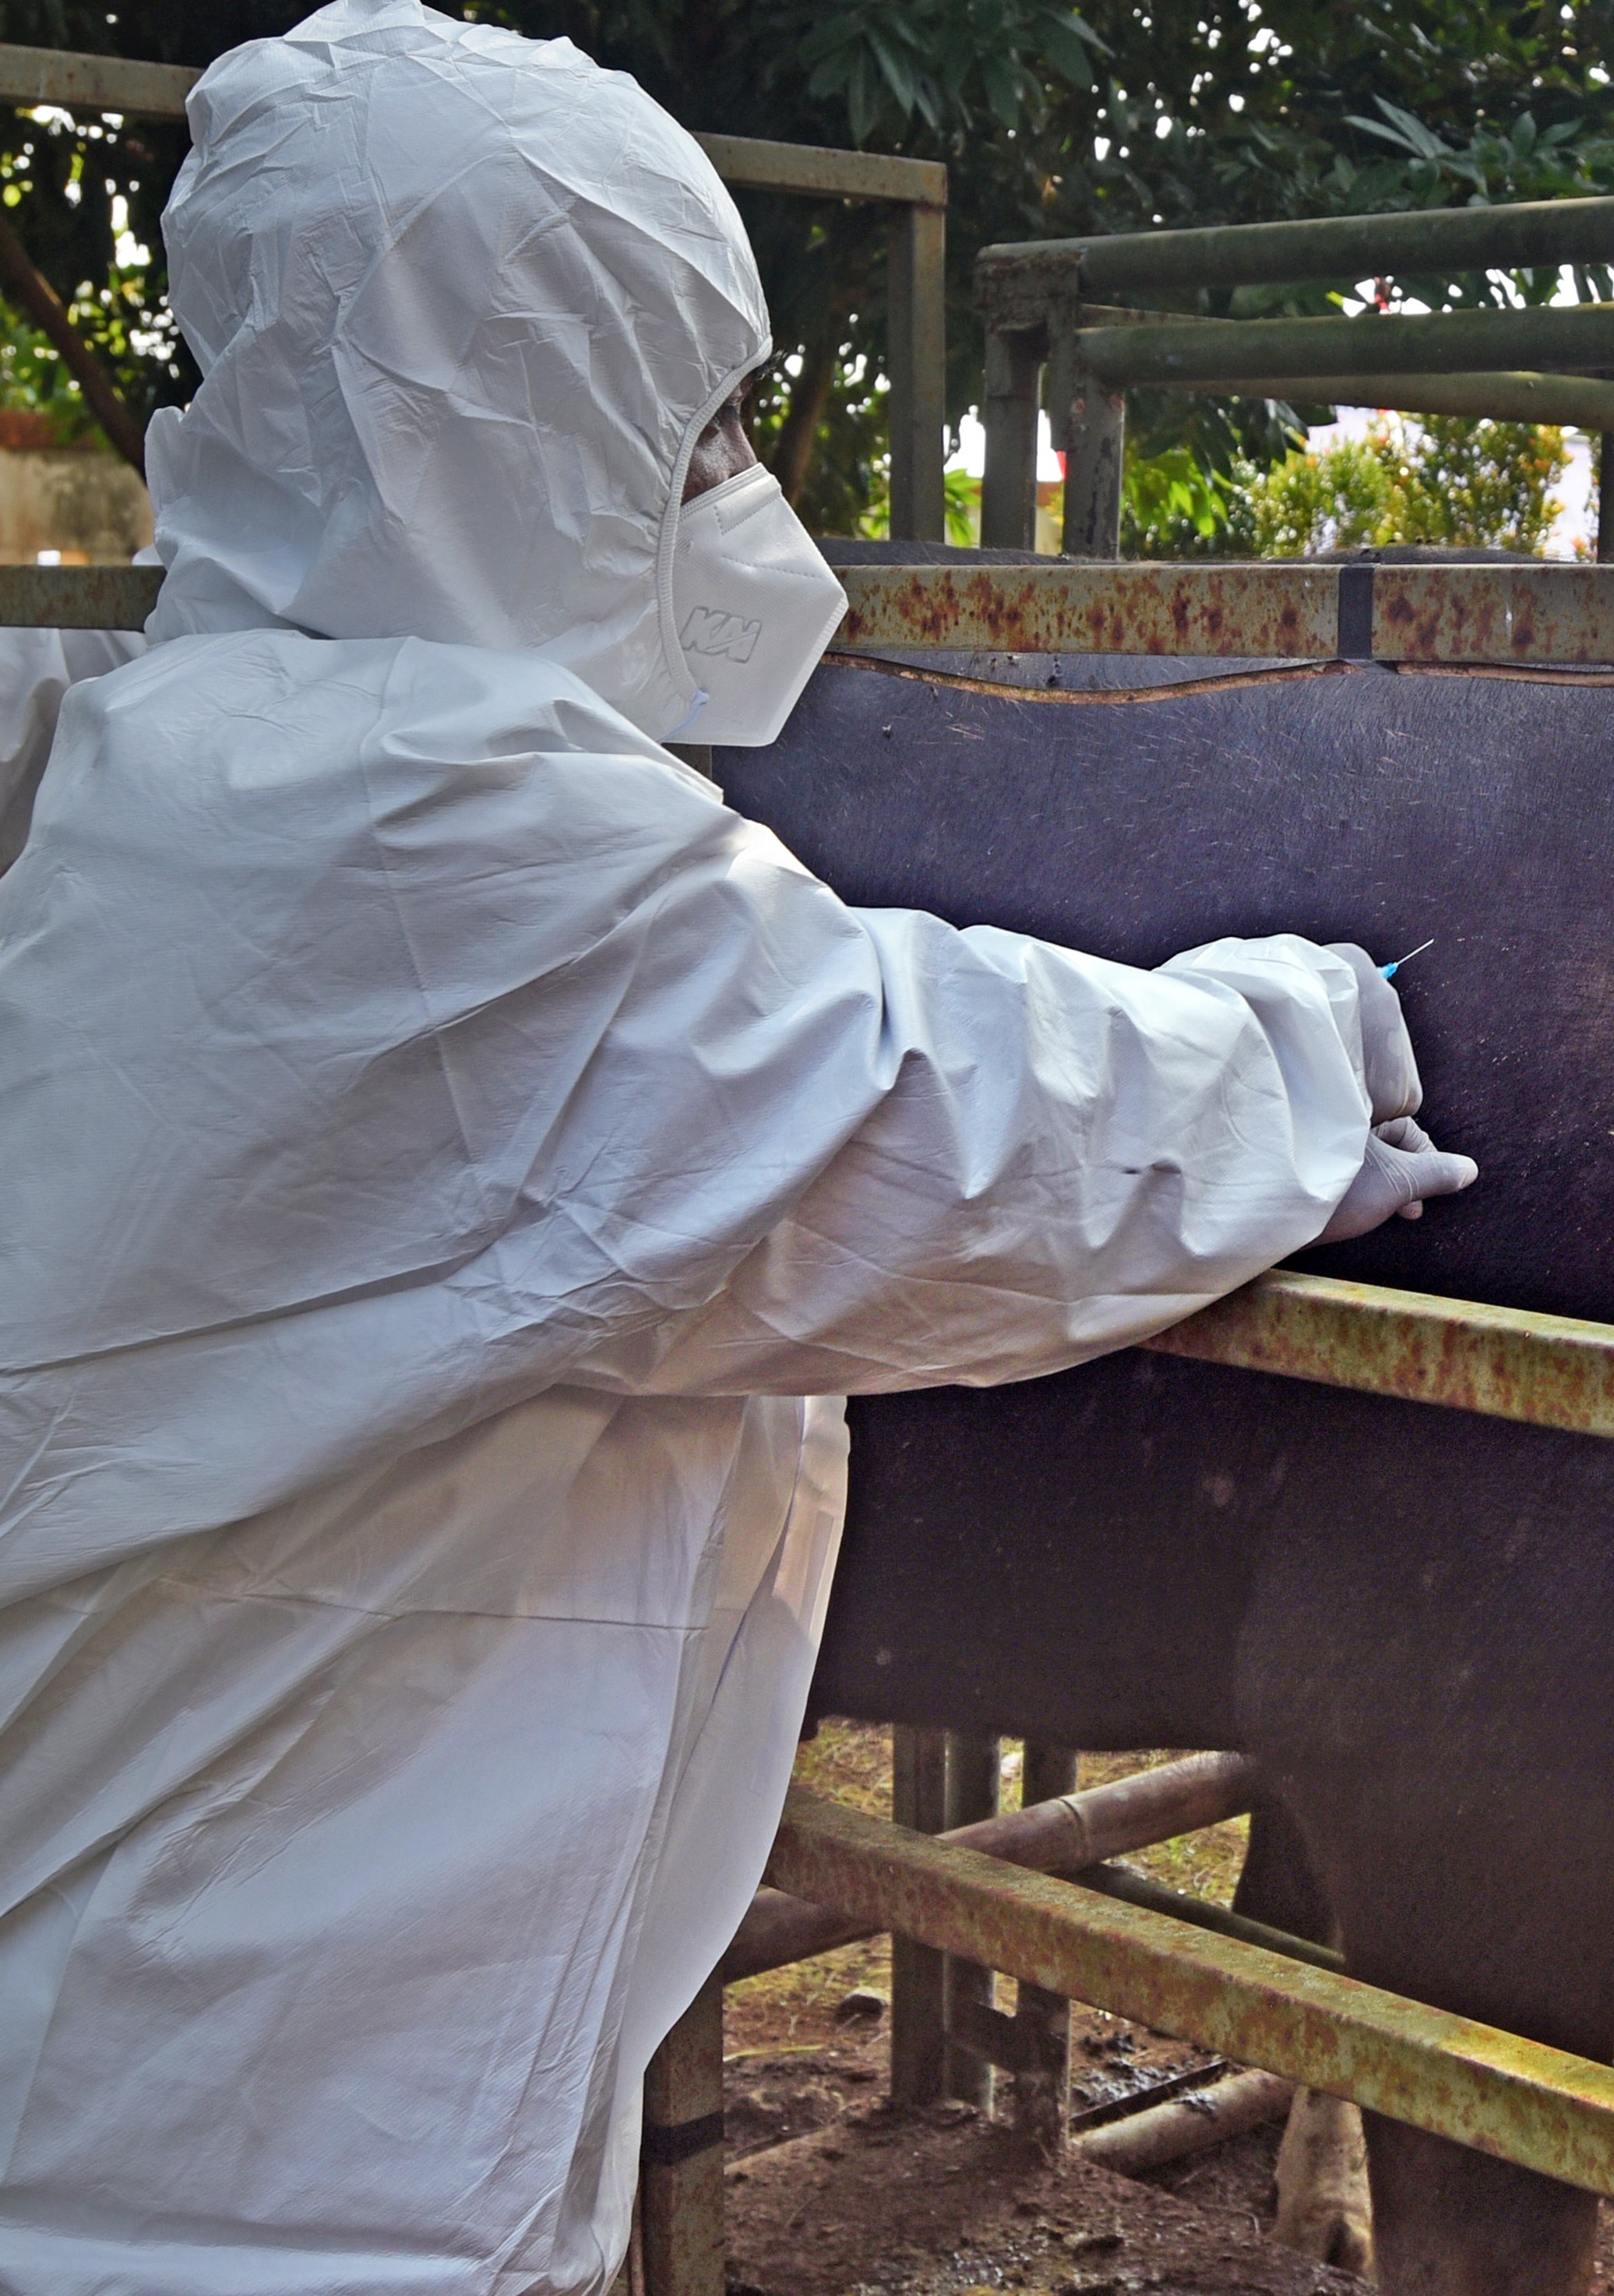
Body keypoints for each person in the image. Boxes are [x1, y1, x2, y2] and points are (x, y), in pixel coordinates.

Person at [0, 6, 1474, 2291]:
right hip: (260, 2175)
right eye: (681, 426)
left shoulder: (145, 755)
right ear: (510, 426)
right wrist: (1330, 1039)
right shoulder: (435, 840)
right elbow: (966, 1119)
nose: (730, 498)